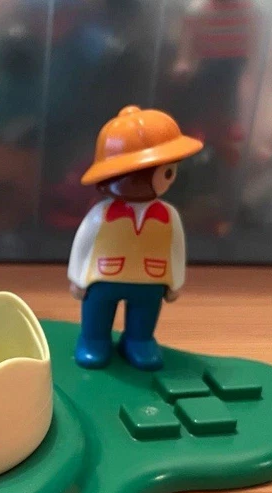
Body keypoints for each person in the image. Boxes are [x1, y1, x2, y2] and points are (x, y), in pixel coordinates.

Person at [68, 106, 202, 371]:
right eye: (166, 171)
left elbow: (176, 249)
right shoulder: (100, 215)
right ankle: (94, 340)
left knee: (144, 316)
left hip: (151, 279)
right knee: (97, 314)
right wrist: (77, 278)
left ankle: (139, 341)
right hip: (104, 276)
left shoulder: (169, 216)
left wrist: (175, 282)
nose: (171, 177)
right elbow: (82, 245)